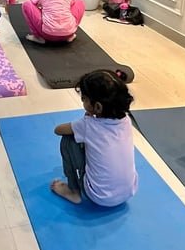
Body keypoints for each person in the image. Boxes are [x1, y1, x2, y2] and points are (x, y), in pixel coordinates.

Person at [51, 69, 138, 206]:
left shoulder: (88, 125)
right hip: (128, 192)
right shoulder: (126, 120)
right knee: (92, 142)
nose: (83, 102)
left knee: (68, 139)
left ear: (97, 106)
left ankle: (73, 191)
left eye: (84, 99)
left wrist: (86, 120)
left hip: (99, 196)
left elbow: (58, 130)